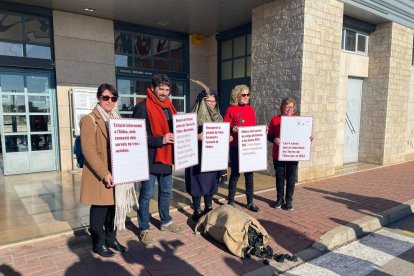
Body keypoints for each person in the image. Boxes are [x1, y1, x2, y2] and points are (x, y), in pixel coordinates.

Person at [132, 74, 184, 247]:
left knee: (166, 192)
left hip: (167, 157)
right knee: (146, 195)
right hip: (150, 159)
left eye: (167, 89)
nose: (164, 92)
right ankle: (144, 228)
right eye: (161, 89)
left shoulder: (170, 107)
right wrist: (160, 139)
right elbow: (137, 137)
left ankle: (166, 221)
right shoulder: (142, 107)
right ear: (153, 88)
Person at [80, 84, 129, 257]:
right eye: (106, 97)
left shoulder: (118, 118)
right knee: (100, 212)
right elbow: (88, 150)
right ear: (99, 98)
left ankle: (111, 238)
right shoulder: (89, 119)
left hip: (118, 171)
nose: (110, 101)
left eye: (113, 98)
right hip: (101, 174)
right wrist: (104, 173)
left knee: (114, 210)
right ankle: (98, 243)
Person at [185, 80, 224, 221]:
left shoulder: (218, 117)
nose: (212, 104)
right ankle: (196, 209)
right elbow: (184, 135)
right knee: (196, 182)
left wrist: (227, 138)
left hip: (212, 157)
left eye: (214, 101)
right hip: (197, 157)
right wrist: (196, 136)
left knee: (211, 181)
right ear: (202, 101)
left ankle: (208, 207)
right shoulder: (193, 117)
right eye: (209, 101)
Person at [267, 97, 311, 210]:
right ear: (282, 107)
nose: (289, 109)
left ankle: (289, 201)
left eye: (291, 107)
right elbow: (269, 135)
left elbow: (304, 135)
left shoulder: (299, 120)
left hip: (293, 154)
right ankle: (279, 199)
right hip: (279, 154)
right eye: (287, 107)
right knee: (279, 177)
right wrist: (274, 139)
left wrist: (309, 137)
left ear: (294, 108)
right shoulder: (275, 119)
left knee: (291, 178)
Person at [223, 84, 260, 212]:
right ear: (237, 96)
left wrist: (261, 131)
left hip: (249, 147)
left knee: (249, 175)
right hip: (235, 147)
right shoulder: (231, 110)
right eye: (243, 95)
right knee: (235, 174)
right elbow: (224, 127)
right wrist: (232, 129)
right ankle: (231, 200)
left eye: (248, 94)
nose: (246, 97)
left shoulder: (251, 109)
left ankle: (250, 202)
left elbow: (253, 128)